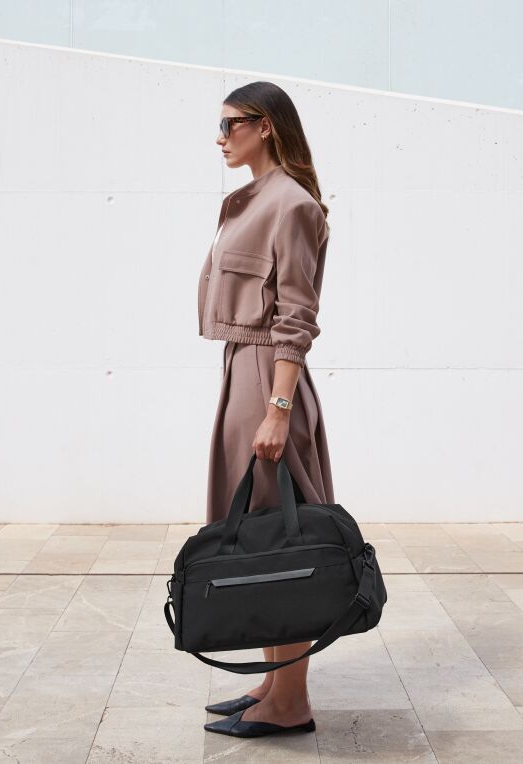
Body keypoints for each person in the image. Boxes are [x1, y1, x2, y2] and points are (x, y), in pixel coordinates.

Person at [199, 81, 335, 738]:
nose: (220, 137)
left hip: (267, 379)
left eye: (231, 124)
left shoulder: (292, 205)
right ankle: (273, 684)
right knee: (260, 536)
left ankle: (291, 702)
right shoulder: (254, 200)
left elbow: (296, 317)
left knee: (284, 537)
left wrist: (278, 408)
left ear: (266, 126)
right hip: (242, 373)